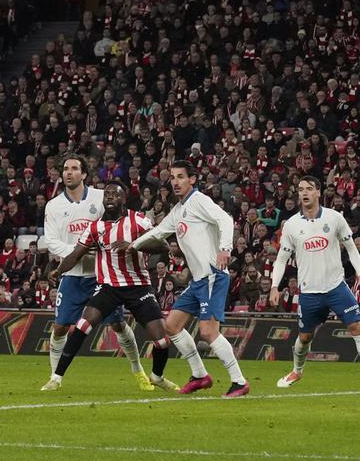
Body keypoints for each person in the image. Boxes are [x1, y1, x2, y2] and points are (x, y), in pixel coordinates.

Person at [42, 183, 179, 392]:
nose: (110, 197)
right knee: (82, 325)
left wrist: (133, 245)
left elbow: (163, 246)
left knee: (161, 341)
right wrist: (58, 271)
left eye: (115, 194)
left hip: (139, 287)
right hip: (109, 287)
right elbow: (76, 254)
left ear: (124, 199)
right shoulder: (95, 227)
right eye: (107, 194)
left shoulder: (138, 220)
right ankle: (56, 378)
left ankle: (157, 377)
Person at [130, 161, 250, 398]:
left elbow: (226, 220)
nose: (175, 182)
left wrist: (225, 248)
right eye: (172, 177)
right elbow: (158, 232)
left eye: (181, 176)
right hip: (198, 281)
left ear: (192, 179)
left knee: (208, 331)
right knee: (172, 325)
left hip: (213, 275)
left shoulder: (199, 200)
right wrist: (132, 246)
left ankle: (239, 382)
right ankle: (200, 375)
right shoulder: (178, 210)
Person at [269, 176, 360, 387]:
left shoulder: (335, 218)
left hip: (336, 287)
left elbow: (352, 249)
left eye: (309, 189)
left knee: (356, 326)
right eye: (301, 189)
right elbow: (281, 259)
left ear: (318, 192)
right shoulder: (291, 225)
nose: (305, 193)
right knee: (305, 337)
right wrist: (274, 286)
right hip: (309, 292)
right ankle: (297, 371)